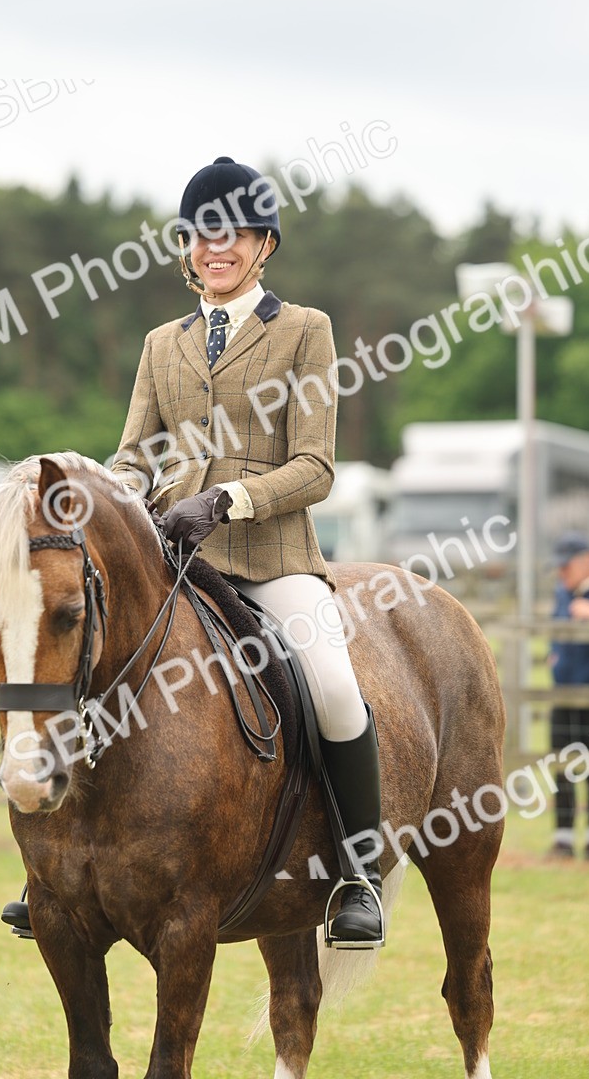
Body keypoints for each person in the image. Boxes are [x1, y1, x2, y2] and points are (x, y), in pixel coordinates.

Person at [110, 155, 384, 946]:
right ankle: (57, 868)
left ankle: (357, 876)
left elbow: (316, 466)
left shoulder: (304, 331)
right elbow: (134, 452)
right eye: (201, 234)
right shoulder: (164, 343)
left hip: (272, 560)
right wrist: (109, 493)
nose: (214, 247)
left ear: (263, 244)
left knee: (333, 686)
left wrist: (226, 499)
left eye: (230, 234)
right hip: (176, 560)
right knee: (91, 662)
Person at [548, 530, 589, 862]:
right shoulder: (563, 593)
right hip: (563, 695)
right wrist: (553, 655)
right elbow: (553, 629)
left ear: (587, 561)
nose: (562, 573)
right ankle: (563, 840)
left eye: (566, 566)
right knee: (563, 767)